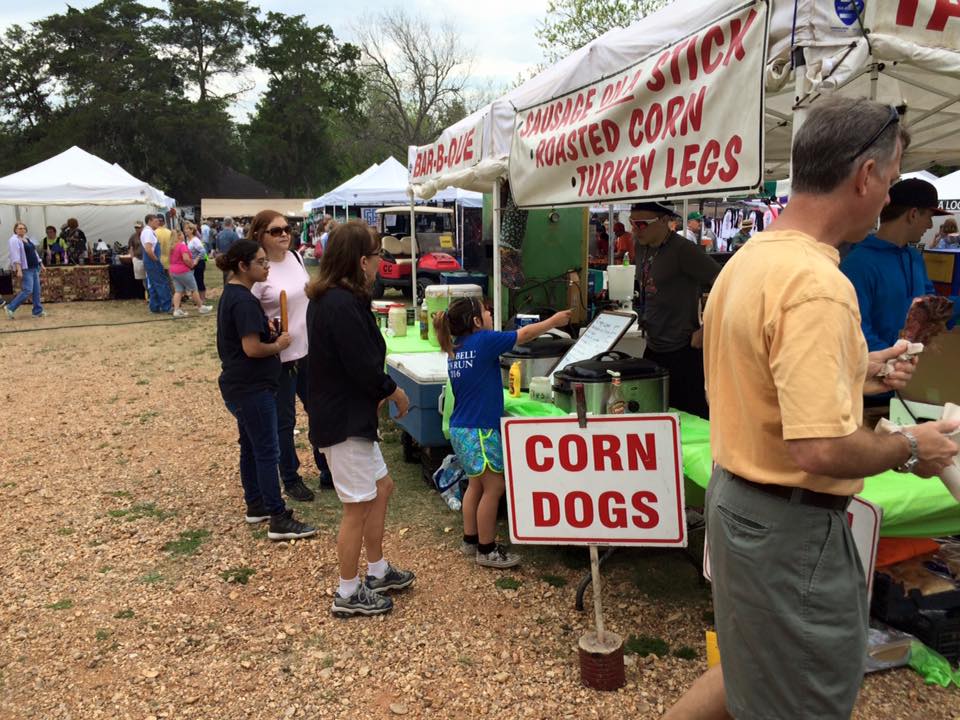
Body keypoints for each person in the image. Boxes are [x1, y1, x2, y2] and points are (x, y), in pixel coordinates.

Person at [665, 96, 960, 720]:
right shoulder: (819, 286)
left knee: (745, 672)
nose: (888, 200)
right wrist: (916, 446)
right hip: (790, 530)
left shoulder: (751, 260)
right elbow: (820, 448)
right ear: (865, 176)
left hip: (739, 502)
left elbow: (764, 374)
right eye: (890, 178)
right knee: (801, 698)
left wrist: (864, 363)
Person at [306, 221, 415, 617]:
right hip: (343, 419)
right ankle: (348, 593)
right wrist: (393, 390)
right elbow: (362, 366)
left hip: (350, 416)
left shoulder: (340, 299)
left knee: (381, 488)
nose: (380, 261)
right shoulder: (338, 304)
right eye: (377, 255)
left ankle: (378, 569)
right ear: (360, 260)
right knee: (356, 506)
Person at [436, 298, 571, 568]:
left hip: (461, 428)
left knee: (476, 484)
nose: (489, 314)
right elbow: (525, 334)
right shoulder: (483, 341)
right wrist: (554, 322)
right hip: (480, 432)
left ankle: (470, 540)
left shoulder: (457, 348)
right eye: (486, 311)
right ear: (476, 321)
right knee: (495, 486)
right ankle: (486, 550)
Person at [215, 239, 318, 541]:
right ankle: (277, 516)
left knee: (249, 446)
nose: (267, 267)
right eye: (260, 262)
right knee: (266, 450)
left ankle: (256, 504)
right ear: (242, 266)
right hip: (251, 387)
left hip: (240, 385)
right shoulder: (245, 301)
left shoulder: (234, 295)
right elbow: (251, 348)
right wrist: (277, 345)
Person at [250, 209, 334, 504]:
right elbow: (250, 317)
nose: (285, 234)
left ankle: (327, 469)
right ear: (260, 235)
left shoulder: (297, 258)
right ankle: (291, 477)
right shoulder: (258, 271)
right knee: (284, 422)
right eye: (276, 231)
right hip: (280, 357)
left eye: (287, 228)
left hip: (309, 351)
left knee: (320, 411)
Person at [840, 178, 960, 351]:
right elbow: (855, 329)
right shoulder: (858, 264)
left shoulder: (914, 258)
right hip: (870, 372)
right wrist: (892, 361)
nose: (930, 225)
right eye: (929, 216)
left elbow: (931, 309)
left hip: (902, 368)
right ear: (913, 214)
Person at [630, 201, 720, 418]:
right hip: (653, 345)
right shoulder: (642, 246)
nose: (635, 229)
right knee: (654, 414)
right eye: (632, 224)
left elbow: (724, 283)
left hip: (682, 349)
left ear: (664, 221)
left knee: (689, 417)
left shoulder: (683, 249)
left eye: (642, 224)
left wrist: (708, 328)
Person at [5, 222, 45, 319]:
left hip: (35, 267)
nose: (22, 230)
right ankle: (10, 307)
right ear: (15, 230)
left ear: (26, 230)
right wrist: (19, 269)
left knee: (37, 290)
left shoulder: (27, 239)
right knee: (27, 290)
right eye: (19, 228)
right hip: (26, 269)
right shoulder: (14, 240)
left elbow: (34, 252)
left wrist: (41, 264)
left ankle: (37, 311)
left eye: (23, 228)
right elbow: (15, 256)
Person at [169, 229, 212, 318]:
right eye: (182, 234)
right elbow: (186, 258)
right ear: (179, 236)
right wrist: (192, 264)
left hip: (173, 270)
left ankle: (176, 310)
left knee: (178, 290)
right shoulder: (182, 246)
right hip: (183, 270)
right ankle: (201, 307)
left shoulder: (172, 247)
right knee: (193, 289)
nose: (184, 235)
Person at [141, 213, 172, 313]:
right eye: (156, 221)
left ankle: (154, 307)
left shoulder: (149, 232)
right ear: (149, 221)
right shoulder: (148, 232)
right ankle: (167, 307)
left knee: (154, 285)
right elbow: (148, 249)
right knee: (162, 283)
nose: (158, 222)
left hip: (150, 262)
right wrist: (156, 261)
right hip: (152, 262)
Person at [185, 222, 208, 304]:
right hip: (192, 263)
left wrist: (197, 260)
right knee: (193, 281)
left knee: (199, 281)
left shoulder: (195, 240)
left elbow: (203, 251)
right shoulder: (188, 240)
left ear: (192, 230)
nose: (185, 231)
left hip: (199, 263)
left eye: (187, 229)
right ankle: (197, 299)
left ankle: (202, 299)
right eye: (185, 229)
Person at [217, 217, 240, 284]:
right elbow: (238, 247)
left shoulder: (219, 234)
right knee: (232, 278)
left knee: (225, 277)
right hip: (232, 259)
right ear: (231, 223)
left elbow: (217, 248)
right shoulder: (234, 234)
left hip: (223, 259)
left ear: (224, 224)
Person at [128, 220, 147, 299]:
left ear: (142, 227)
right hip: (138, 259)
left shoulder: (146, 235)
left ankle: (149, 294)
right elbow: (130, 247)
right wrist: (133, 258)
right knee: (142, 278)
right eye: (136, 227)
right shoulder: (133, 236)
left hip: (146, 258)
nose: (137, 229)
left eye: (138, 227)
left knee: (148, 277)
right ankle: (146, 294)